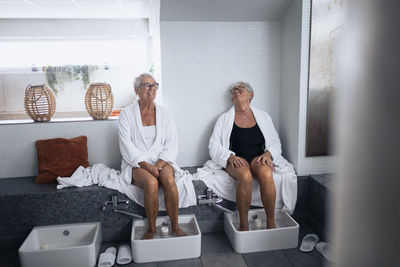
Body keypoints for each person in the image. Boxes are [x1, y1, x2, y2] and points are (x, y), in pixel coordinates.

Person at [118, 73, 186, 239]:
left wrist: (159, 164)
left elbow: (172, 142)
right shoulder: (126, 114)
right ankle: (151, 228)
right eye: (146, 85)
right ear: (136, 89)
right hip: (136, 163)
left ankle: (175, 226)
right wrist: (147, 166)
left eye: (154, 85)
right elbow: (126, 144)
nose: (151, 89)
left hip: (162, 160)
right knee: (151, 182)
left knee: (169, 180)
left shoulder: (164, 113)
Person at [209, 81, 282, 230]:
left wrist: (268, 153)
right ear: (232, 99)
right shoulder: (224, 119)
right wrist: (229, 156)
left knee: (267, 174)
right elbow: (213, 145)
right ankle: (243, 224)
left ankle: (271, 222)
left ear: (250, 95)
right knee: (245, 176)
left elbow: (275, 142)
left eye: (241, 89)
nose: (236, 91)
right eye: (234, 90)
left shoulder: (264, 116)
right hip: (235, 159)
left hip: (258, 157)